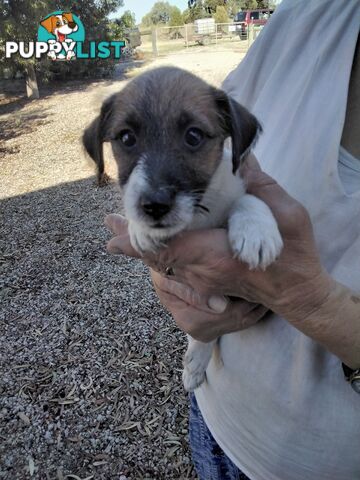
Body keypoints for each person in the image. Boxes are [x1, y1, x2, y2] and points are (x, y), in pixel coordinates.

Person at [105, 0, 360, 478]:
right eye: (127, 140)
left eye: (194, 138)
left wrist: (311, 299)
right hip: (218, 419)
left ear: (233, 139)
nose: (154, 186)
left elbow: (240, 194)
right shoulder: (310, 13)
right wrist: (173, 282)